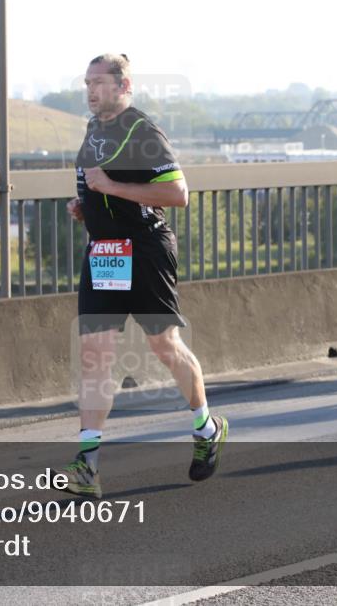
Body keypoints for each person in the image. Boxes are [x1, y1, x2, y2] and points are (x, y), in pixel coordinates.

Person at [58, 53, 228, 499]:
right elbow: (97, 187)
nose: (91, 90)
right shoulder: (93, 131)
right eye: (87, 82)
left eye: (99, 82)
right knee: (95, 355)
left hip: (146, 249)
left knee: (163, 345)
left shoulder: (142, 131)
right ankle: (87, 465)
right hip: (105, 252)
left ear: (123, 86)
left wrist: (110, 189)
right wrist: (86, 209)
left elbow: (178, 193)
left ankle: (206, 428)